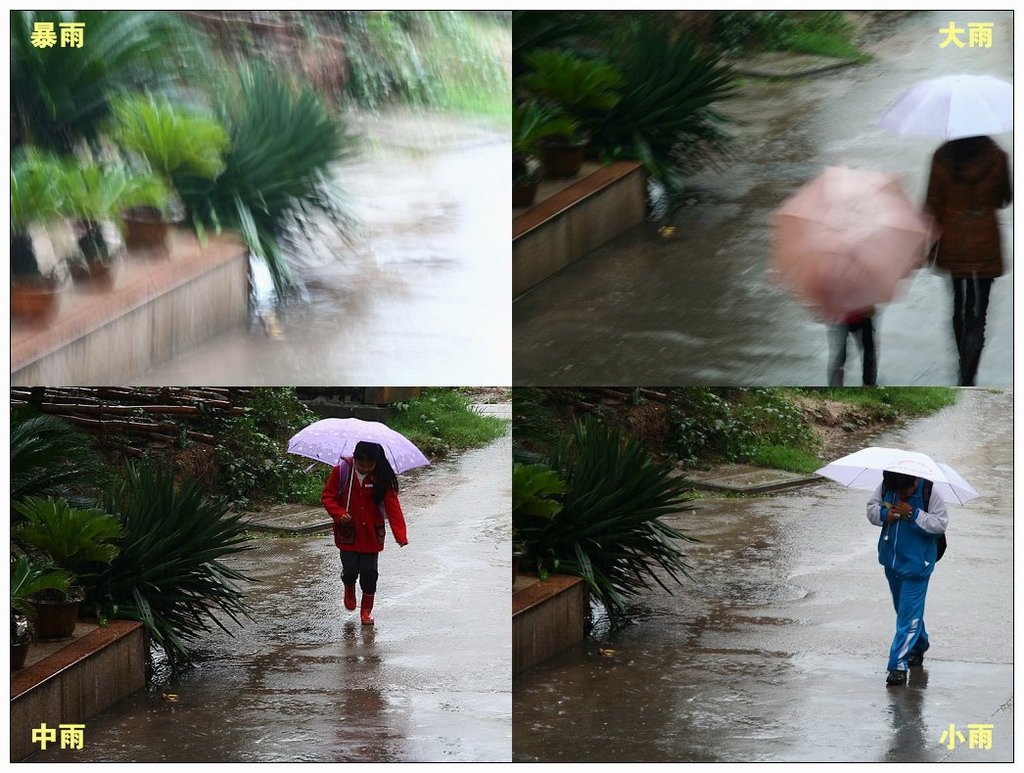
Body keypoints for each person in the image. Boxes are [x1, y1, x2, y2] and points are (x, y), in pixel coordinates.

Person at [924, 135, 1012, 385]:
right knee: (979, 314)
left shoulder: (941, 157)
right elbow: (1005, 198)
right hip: (985, 243)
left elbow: (932, 204)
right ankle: (969, 372)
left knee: (959, 306)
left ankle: (963, 365)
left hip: (954, 241)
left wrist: (929, 246)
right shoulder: (997, 156)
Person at [867, 470, 948, 685]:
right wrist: (886, 515)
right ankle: (919, 645)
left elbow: (940, 525)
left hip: (917, 568)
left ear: (915, 480)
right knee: (905, 613)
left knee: (906, 618)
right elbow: (871, 510)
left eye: (908, 489)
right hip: (891, 562)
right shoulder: (886, 486)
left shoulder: (929, 491)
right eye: (898, 490)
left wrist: (912, 514)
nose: (903, 493)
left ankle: (897, 666)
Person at [321, 441, 408, 625]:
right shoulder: (342, 472)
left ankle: (366, 611)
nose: (366, 468)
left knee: (370, 573)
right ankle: (349, 586)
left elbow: (393, 507)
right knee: (350, 569)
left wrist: (400, 535)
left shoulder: (381, 478)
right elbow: (328, 497)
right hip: (348, 534)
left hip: (371, 536)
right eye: (362, 464)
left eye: (370, 465)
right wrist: (338, 513)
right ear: (355, 458)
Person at [827, 306, 877, 386]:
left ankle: (868, 384)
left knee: (840, 355)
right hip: (851, 316)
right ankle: (868, 384)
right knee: (868, 352)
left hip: (847, 316)